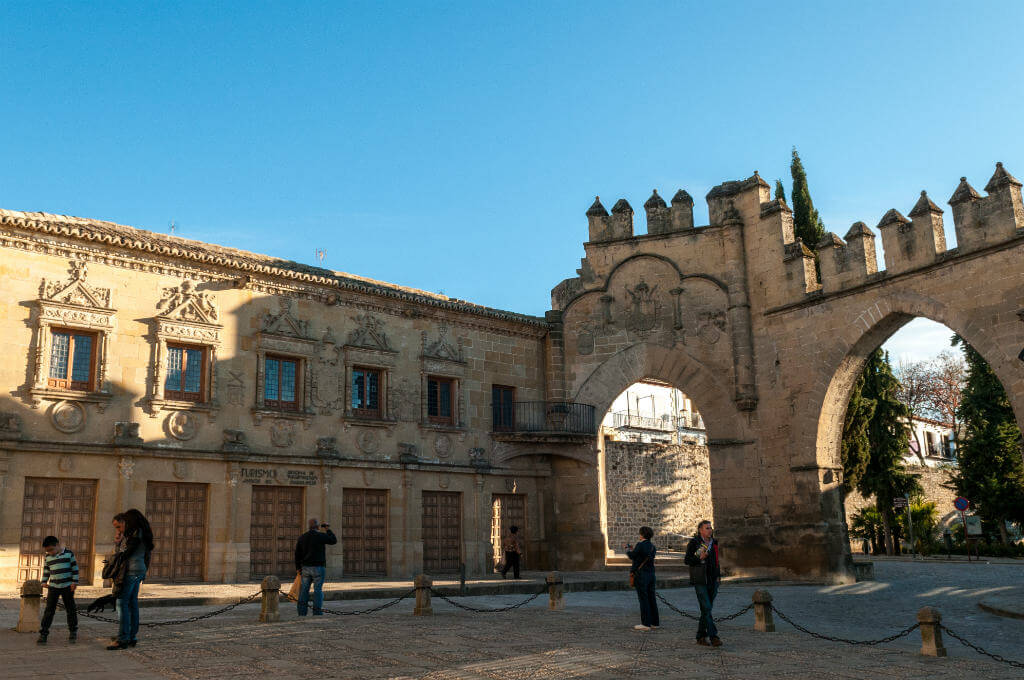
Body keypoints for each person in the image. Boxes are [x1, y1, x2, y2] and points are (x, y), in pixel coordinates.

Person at [108, 509, 154, 650]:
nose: (119, 530)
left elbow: (125, 555)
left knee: (122, 603)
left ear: (126, 522)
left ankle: (123, 638)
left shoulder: (135, 535)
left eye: (119, 526)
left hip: (131, 571)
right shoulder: (143, 533)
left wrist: (118, 544)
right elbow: (147, 555)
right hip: (139, 570)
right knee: (132, 604)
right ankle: (131, 636)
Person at [684, 520, 722, 647]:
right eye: (707, 528)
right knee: (706, 607)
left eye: (710, 528)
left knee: (706, 609)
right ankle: (713, 636)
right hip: (700, 579)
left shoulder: (714, 542)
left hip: (713, 580)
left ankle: (700, 636)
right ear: (700, 530)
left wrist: (718, 576)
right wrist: (699, 558)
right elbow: (687, 560)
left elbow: (717, 561)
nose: (710, 530)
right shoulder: (694, 542)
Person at [37, 535, 79, 645]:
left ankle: (73, 632)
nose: (50, 552)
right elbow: (46, 570)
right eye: (47, 551)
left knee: (70, 610)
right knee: (49, 610)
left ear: (57, 545)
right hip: (53, 587)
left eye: (51, 549)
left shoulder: (69, 554)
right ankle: (43, 633)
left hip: (67, 586)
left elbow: (75, 569)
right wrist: (44, 581)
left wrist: (74, 582)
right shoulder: (48, 557)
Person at [294, 518, 337, 616]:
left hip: (305, 568)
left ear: (309, 526)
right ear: (317, 526)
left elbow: (297, 554)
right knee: (318, 590)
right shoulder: (321, 536)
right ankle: (317, 611)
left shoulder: (302, 537)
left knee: (304, 591)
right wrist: (327, 529)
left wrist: (298, 568)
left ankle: (302, 612)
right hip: (318, 567)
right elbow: (333, 540)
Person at [626, 526, 659, 631]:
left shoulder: (640, 545)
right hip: (651, 574)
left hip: (641, 575)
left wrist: (627, 549)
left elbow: (632, 556)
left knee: (643, 599)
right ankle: (655, 622)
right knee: (651, 598)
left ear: (642, 535)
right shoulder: (652, 547)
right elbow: (641, 556)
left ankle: (645, 623)